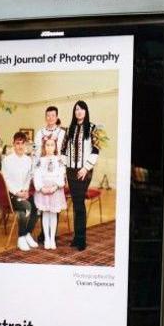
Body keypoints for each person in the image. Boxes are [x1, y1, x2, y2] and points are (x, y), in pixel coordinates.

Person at [63, 100, 101, 251]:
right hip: (71, 171)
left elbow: (96, 150)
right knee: (76, 203)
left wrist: (86, 168)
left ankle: (81, 239)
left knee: (79, 204)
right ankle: (77, 237)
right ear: (74, 112)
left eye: (82, 109)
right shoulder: (69, 129)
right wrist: (65, 166)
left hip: (84, 171)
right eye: (76, 109)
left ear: (86, 111)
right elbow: (63, 150)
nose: (79, 112)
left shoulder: (93, 128)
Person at [1, 130, 39, 252]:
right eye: (18, 143)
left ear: (25, 145)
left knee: (37, 207)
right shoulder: (7, 160)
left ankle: (27, 234)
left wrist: (26, 191)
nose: (20, 146)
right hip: (11, 195)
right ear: (13, 144)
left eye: (22, 143)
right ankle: (21, 237)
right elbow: (5, 180)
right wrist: (17, 192)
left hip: (24, 192)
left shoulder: (28, 160)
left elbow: (28, 177)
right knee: (27, 206)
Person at [32, 135, 68, 250]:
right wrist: (41, 188)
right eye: (47, 145)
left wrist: (55, 187)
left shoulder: (59, 161)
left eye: (52, 145)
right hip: (43, 191)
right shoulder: (40, 160)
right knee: (45, 214)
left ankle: (52, 238)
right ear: (44, 146)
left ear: (55, 146)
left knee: (53, 214)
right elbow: (36, 175)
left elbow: (61, 174)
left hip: (55, 191)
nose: (49, 147)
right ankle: (46, 238)